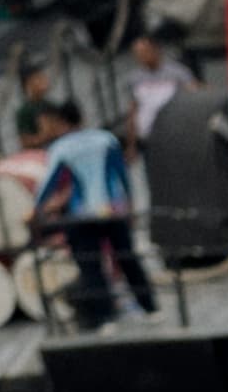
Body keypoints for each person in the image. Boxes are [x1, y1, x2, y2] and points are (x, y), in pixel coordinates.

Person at [34, 111, 154, 324]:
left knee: (91, 267)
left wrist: (37, 209)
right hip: (112, 210)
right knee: (128, 259)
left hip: (82, 215)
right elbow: (122, 174)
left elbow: (48, 184)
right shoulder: (106, 139)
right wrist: (130, 204)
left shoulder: (61, 148)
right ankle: (150, 307)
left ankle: (104, 316)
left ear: (62, 122)